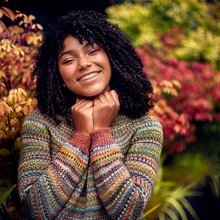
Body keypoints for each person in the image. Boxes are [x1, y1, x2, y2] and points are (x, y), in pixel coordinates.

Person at [18, 10, 163, 220]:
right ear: (56, 72)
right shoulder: (39, 123)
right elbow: (35, 209)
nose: (84, 63)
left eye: (92, 51)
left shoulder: (145, 127)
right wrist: (80, 138)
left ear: (111, 55)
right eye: (68, 60)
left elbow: (130, 211)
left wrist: (102, 133)